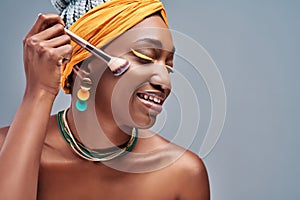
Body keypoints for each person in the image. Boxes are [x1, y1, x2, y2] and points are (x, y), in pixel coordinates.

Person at [0, 0, 210, 199]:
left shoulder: (182, 175)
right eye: (145, 57)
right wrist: (39, 92)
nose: (165, 82)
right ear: (87, 68)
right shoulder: (5, 150)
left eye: (168, 67)